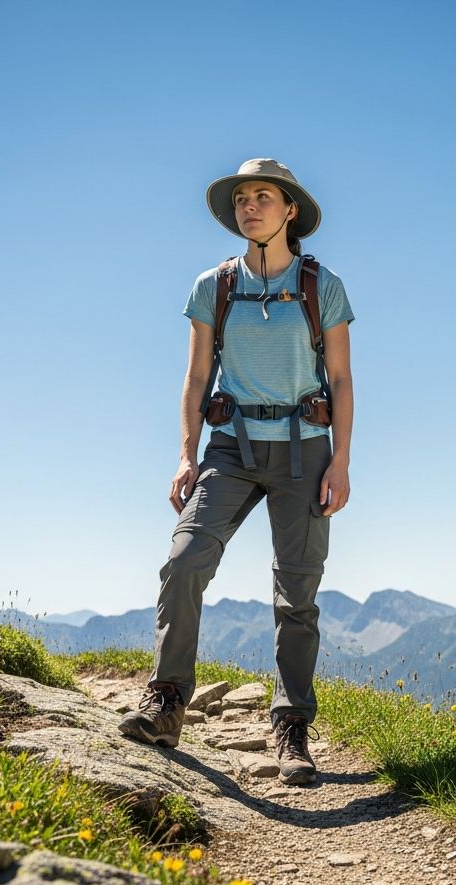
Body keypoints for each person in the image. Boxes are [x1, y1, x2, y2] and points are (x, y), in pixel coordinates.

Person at [118, 159, 354, 787]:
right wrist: (185, 454)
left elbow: (341, 379)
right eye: (242, 198)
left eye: (263, 196)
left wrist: (342, 460)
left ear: (290, 210)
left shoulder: (321, 285)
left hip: (305, 451)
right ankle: (167, 701)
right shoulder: (214, 286)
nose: (250, 206)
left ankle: (291, 730)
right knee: (186, 557)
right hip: (229, 448)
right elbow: (197, 378)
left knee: (296, 594)